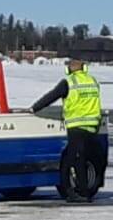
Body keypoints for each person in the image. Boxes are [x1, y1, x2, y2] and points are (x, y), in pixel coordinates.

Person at [31, 58, 105, 200]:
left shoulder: (69, 82)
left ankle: (79, 193)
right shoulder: (93, 81)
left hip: (76, 126)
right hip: (92, 126)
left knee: (73, 160)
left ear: (69, 69)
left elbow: (51, 96)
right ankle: (83, 191)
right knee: (82, 159)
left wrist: (34, 108)